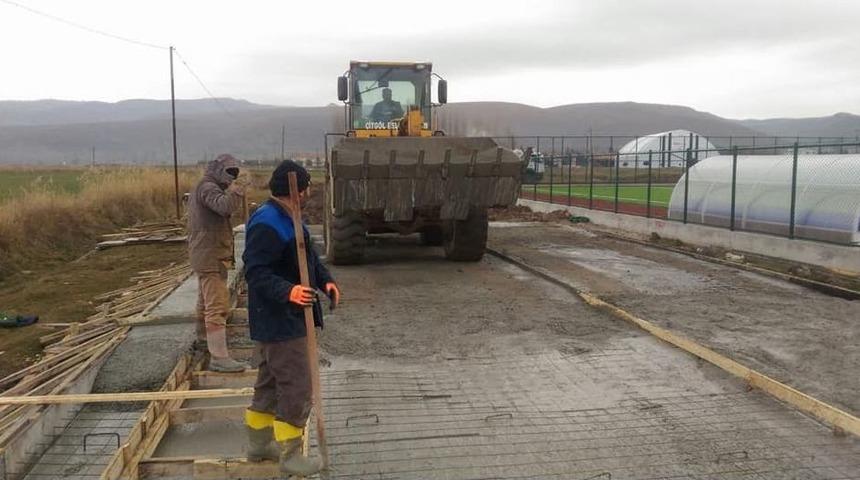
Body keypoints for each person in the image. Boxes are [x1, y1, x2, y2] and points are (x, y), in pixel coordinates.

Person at [242, 160, 340, 476]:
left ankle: (258, 445)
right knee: (296, 385)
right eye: (307, 185)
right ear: (297, 189)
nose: (310, 190)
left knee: (269, 382)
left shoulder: (290, 217)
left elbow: (308, 258)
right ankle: (290, 454)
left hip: (286, 317)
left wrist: (325, 281)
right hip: (279, 320)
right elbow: (255, 272)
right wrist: (289, 292)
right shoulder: (267, 223)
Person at [187, 153, 250, 373]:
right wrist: (238, 190)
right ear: (217, 170)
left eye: (235, 173)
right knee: (217, 304)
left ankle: (204, 341)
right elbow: (224, 207)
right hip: (210, 255)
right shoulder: (207, 188)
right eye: (229, 172)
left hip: (210, 253)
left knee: (205, 302)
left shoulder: (207, 186)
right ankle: (219, 357)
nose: (232, 177)